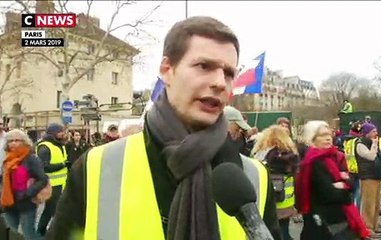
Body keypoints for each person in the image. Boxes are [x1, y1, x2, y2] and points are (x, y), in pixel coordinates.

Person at [47, 16, 281, 240]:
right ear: (167, 70)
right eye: (204, 66)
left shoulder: (255, 176)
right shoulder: (95, 168)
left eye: (229, 73)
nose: (220, 82)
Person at [296, 121, 369, 240]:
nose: (328, 139)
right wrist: (343, 188)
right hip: (324, 220)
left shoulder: (332, 156)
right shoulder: (314, 162)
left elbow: (350, 182)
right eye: (322, 136)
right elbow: (329, 193)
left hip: (337, 219)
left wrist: (342, 185)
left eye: (329, 135)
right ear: (312, 139)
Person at [252, 125, 299, 240]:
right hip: (284, 202)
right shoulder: (288, 157)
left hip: (263, 200)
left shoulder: (258, 154)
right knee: (283, 232)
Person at [1, 129, 49, 239]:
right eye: (10, 141)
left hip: (26, 204)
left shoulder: (31, 158)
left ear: (24, 142)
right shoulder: (7, 158)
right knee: (9, 234)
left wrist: (28, 193)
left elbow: (43, 179)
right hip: (9, 204)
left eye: (17, 140)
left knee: (29, 235)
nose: (13, 143)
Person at [36, 123, 69, 236]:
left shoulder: (60, 144)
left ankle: (44, 231)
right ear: (54, 133)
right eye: (61, 132)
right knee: (52, 210)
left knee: (53, 210)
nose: (63, 134)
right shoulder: (45, 147)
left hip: (61, 184)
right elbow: (44, 166)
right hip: (51, 184)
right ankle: (44, 232)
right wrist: (63, 165)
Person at [354, 123, 381, 239]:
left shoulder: (373, 142)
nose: (375, 134)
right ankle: (367, 228)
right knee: (368, 204)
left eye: (376, 131)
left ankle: (374, 225)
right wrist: (374, 145)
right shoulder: (360, 144)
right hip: (367, 176)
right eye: (373, 131)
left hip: (376, 176)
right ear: (366, 133)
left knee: (376, 204)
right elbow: (371, 156)